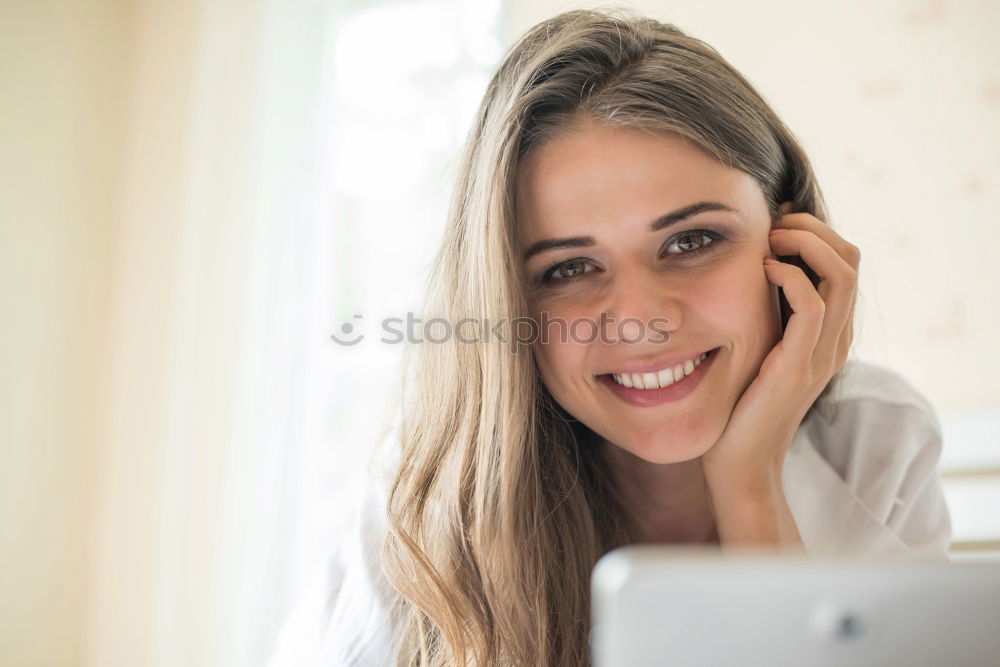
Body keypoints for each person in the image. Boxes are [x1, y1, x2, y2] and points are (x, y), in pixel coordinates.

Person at [269, 8, 952, 666]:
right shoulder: (428, 503)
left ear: (796, 244)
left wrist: (749, 481)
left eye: (691, 240)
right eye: (567, 268)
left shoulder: (877, 441)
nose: (640, 317)